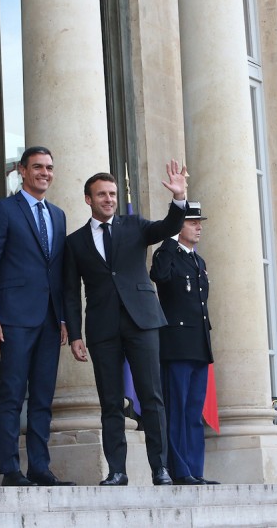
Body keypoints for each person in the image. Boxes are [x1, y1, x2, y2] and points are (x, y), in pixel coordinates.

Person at [64, 166, 187, 486]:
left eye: (113, 194)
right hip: (103, 328)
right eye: (102, 194)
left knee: (152, 396)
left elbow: (169, 226)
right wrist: (75, 334)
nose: (109, 199)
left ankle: (160, 468)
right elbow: (70, 293)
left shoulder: (134, 225)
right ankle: (117, 470)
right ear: (88, 199)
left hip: (142, 322)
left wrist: (179, 197)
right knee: (110, 401)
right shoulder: (75, 242)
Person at [0, 146, 73, 486]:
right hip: (12, 320)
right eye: (37, 167)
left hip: (48, 321)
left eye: (49, 167)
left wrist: (64, 319)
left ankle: (39, 468)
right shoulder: (4, 210)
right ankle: (11, 470)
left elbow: (58, 272)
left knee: (43, 398)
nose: (44, 173)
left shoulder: (59, 215)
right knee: (11, 395)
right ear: (22, 170)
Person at [150, 202, 219, 485]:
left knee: (193, 411)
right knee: (177, 409)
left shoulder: (197, 261)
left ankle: (194, 469)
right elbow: (160, 276)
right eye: (192, 222)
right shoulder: (167, 254)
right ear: (179, 226)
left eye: (198, 221)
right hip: (176, 344)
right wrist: (168, 237)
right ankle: (179, 470)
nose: (199, 226)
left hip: (198, 344)